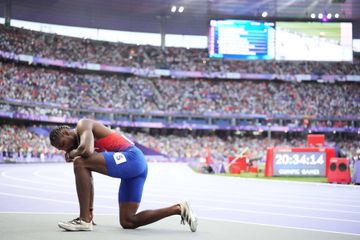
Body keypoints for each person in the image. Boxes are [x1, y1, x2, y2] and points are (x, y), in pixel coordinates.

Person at [49, 119, 197, 232]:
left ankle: (84, 220)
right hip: (137, 168)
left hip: (131, 157)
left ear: (66, 133)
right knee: (128, 221)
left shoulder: (83, 124)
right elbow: (87, 173)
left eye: (63, 145)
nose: (65, 150)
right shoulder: (80, 144)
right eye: (62, 149)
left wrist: (72, 154)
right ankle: (179, 208)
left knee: (80, 162)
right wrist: (90, 211)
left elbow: (86, 151)